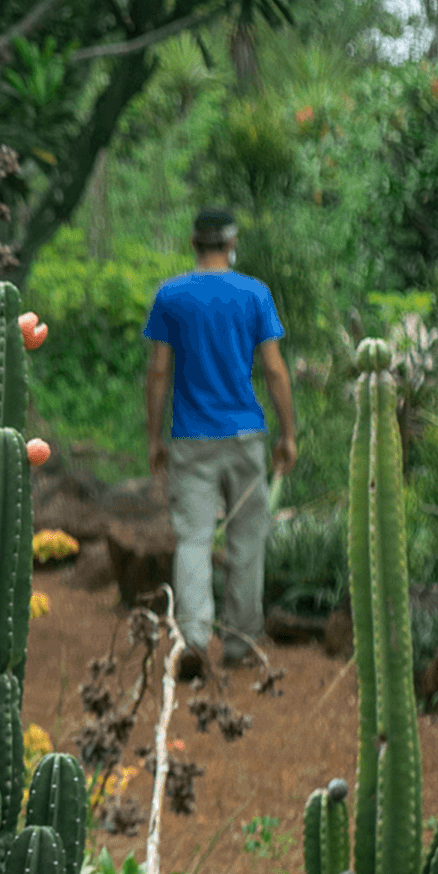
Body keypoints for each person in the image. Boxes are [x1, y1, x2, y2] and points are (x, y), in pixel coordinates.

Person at [143, 208, 297, 682]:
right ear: (231, 244)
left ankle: (192, 640)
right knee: (247, 540)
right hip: (246, 434)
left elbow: (158, 372)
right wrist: (288, 433)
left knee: (192, 538)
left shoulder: (170, 295)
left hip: (191, 438)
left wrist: (153, 436)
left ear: (194, 243)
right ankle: (239, 642)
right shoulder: (254, 293)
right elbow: (273, 369)